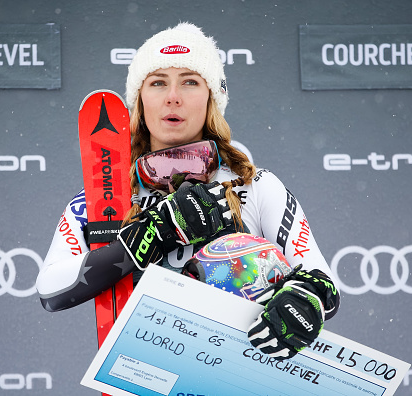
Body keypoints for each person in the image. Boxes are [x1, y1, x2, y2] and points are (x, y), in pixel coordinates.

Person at [36, 22, 340, 360]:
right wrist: (152, 232)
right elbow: (51, 290)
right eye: (157, 83)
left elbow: (322, 283)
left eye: (190, 82)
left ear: (212, 97)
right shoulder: (103, 198)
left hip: (238, 372)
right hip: (144, 374)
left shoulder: (254, 186)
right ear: (139, 101)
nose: (172, 97)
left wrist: (303, 301)